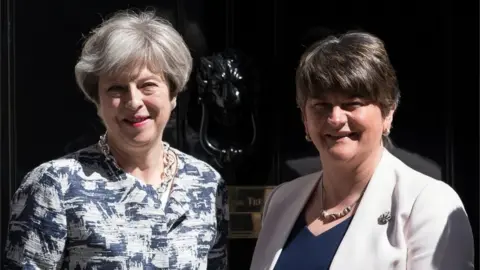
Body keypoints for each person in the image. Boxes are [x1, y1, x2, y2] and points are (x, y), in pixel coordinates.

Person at [4, 10, 228, 270]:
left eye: (148, 85)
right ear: (98, 102)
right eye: (116, 89)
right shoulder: (54, 185)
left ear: (173, 94)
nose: (134, 102)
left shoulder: (207, 185)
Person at [250, 31, 473, 270]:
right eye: (320, 105)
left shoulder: (428, 203)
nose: (335, 118)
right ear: (305, 119)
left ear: (388, 113)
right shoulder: (281, 201)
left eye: (352, 104)